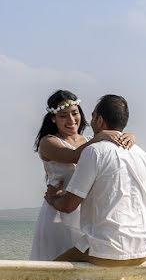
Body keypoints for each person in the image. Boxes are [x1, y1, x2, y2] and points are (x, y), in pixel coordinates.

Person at [45, 94, 146, 267]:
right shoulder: (142, 154)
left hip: (101, 244)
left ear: (99, 120)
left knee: (49, 272)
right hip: (143, 250)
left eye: (91, 116)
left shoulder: (93, 150)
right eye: (63, 115)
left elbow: (68, 205)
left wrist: (52, 199)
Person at [29, 90, 133, 260]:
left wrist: (129, 137)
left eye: (74, 113)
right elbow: (74, 156)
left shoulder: (90, 140)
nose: (71, 120)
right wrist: (100, 136)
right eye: (63, 116)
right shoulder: (48, 142)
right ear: (53, 118)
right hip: (59, 212)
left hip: (86, 214)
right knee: (56, 265)